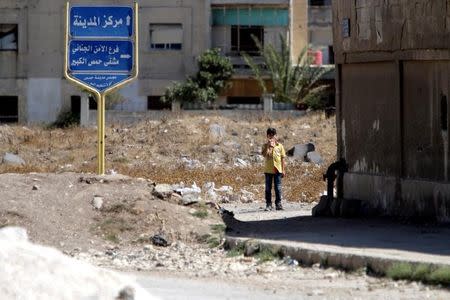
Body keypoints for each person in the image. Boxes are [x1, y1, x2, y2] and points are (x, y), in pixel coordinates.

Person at [262, 127, 286, 211]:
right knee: (268, 188)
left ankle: (278, 204)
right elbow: (265, 155)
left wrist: (283, 170)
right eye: (270, 135)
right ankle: (268, 204)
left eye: (273, 135)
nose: (271, 137)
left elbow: (283, 158)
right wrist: (268, 146)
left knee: (278, 188)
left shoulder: (280, 146)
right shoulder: (265, 146)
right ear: (267, 136)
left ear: (276, 136)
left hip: (277, 170)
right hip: (268, 170)